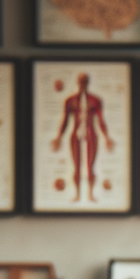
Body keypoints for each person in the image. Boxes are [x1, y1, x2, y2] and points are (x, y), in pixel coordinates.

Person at [51, 72, 114, 201]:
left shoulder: (95, 100)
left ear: (88, 82)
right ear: (78, 83)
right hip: (76, 134)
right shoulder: (70, 101)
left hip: (91, 133)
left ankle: (90, 194)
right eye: (81, 81)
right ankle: (78, 194)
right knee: (76, 166)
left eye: (85, 81)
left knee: (90, 165)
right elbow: (65, 121)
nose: (82, 84)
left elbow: (101, 120)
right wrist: (59, 137)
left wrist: (107, 137)